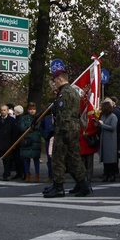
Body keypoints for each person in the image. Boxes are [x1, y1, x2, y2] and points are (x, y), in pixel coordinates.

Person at [44, 69, 91, 198]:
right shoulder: (72, 91)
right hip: (72, 128)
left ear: (59, 79)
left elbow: (65, 113)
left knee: (58, 157)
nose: (54, 84)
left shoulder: (64, 93)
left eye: (54, 81)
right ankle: (83, 184)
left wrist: (63, 131)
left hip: (65, 128)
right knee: (73, 158)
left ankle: (58, 187)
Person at [18, 103, 41, 183]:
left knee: (36, 159)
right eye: (30, 109)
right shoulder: (24, 118)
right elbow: (22, 128)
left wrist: (31, 127)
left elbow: (38, 127)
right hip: (26, 140)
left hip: (35, 140)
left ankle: (37, 174)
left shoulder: (39, 118)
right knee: (26, 159)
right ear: (28, 110)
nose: (32, 111)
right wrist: (30, 127)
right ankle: (27, 174)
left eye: (33, 109)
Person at [97, 98, 119, 182]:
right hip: (104, 140)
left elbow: (113, 127)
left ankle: (112, 175)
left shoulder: (113, 117)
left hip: (111, 140)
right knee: (105, 159)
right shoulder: (103, 116)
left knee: (110, 159)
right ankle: (106, 174)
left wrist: (103, 125)